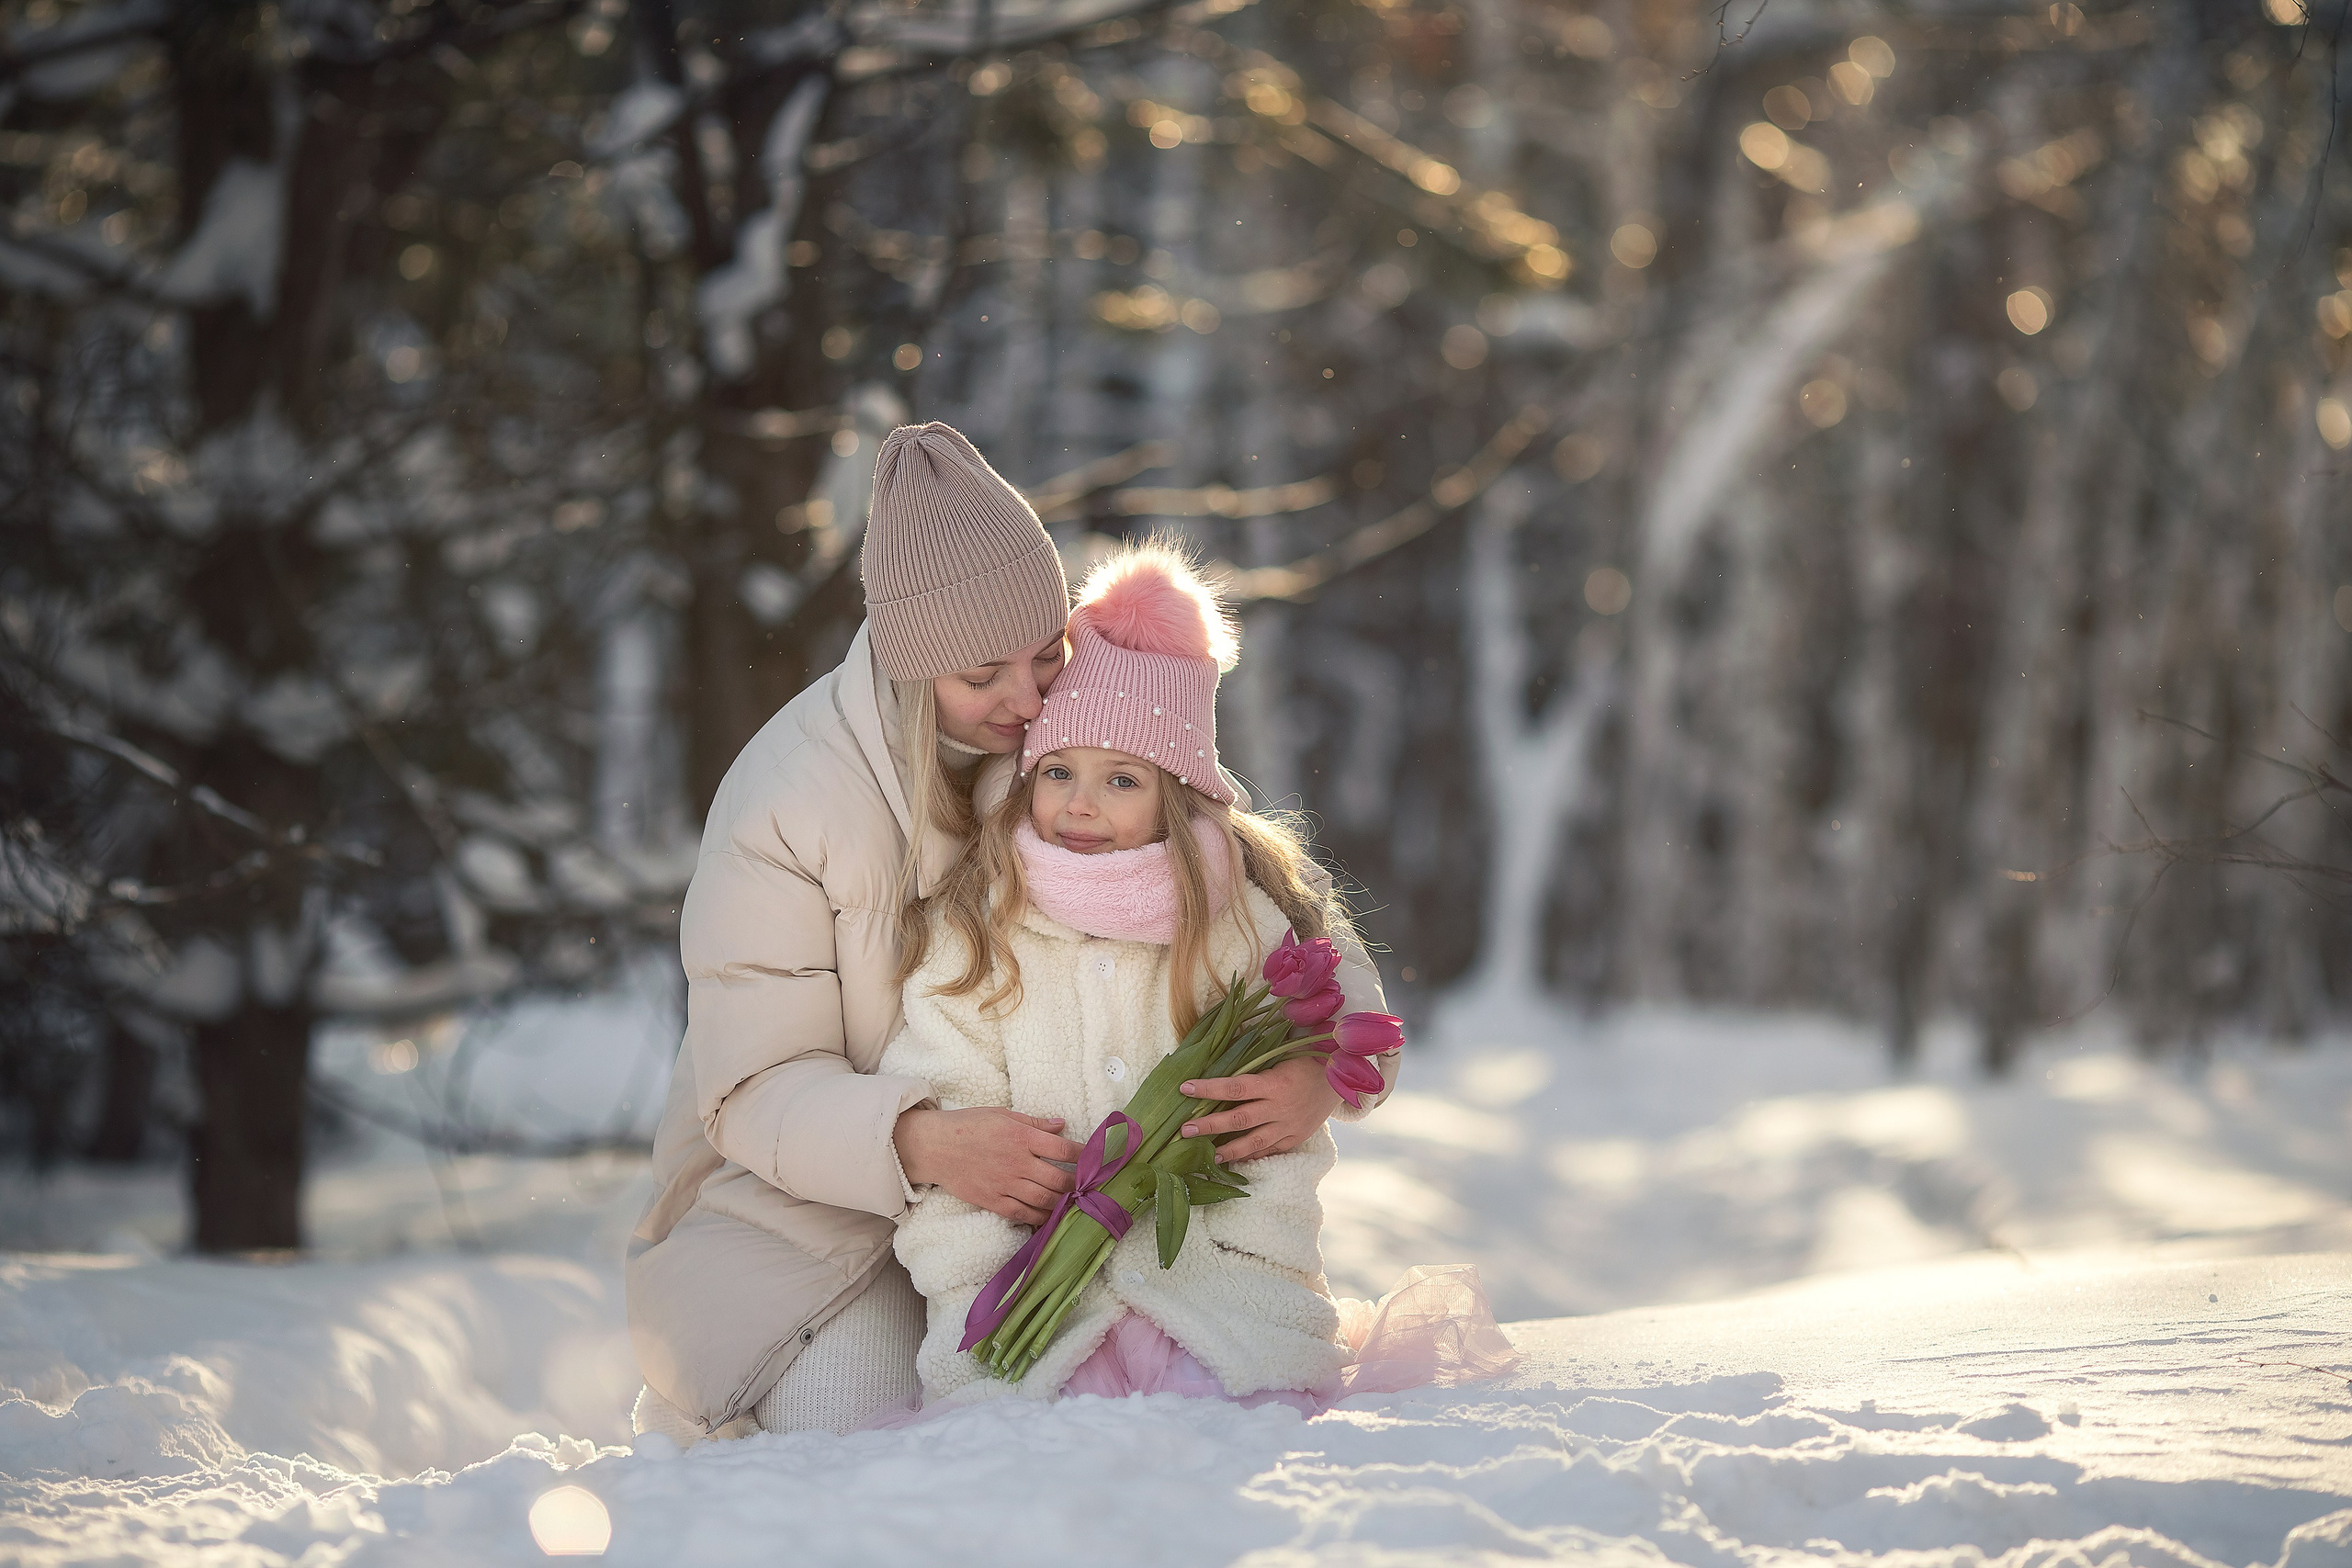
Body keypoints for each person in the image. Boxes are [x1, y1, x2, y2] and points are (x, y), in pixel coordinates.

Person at [625, 427, 1393, 1444]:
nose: (1027, 700)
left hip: (1042, 1216)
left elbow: (1272, 908)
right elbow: (748, 1092)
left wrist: (1320, 1075)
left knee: (1092, 1402)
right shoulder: (785, 804)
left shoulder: (1079, 732)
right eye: (985, 674)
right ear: (912, 667)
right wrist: (918, 1139)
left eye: (1044, 656)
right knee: (846, 1429)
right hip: (813, 1215)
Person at [879, 543, 1499, 1418]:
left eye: (1121, 779)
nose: (1079, 803)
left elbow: (1355, 1021)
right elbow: (951, 1119)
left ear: (1177, 795)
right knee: (1039, 1454)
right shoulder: (980, 927)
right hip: (1041, 1311)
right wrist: (976, 1295)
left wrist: (1314, 1086)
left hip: (1221, 1296)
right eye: (1056, 771)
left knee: (1217, 1432)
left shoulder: (1238, 910)